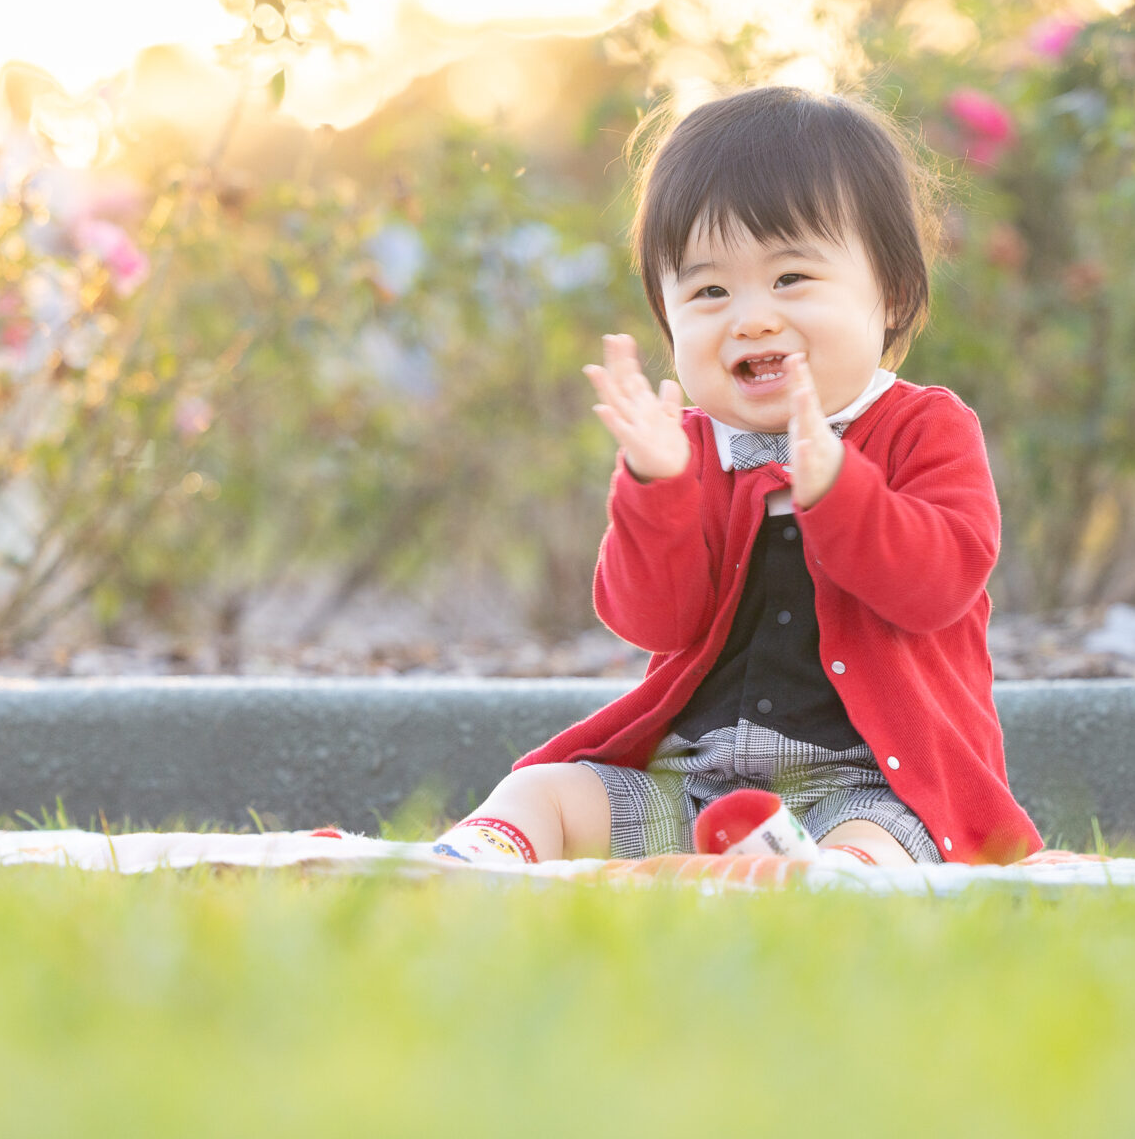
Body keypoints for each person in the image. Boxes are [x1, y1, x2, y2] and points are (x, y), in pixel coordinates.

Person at [431, 86, 1041, 867]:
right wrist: (657, 488)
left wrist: (839, 493)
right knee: (545, 788)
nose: (750, 317)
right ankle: (479, 861)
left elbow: (940, 584)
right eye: (710, 291)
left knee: (876, 851)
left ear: (888, 292)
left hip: (872, 785)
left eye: (791, 279)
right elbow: (651, 620)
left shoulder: (926, 428)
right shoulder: (688, 449)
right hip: (692, 782)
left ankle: (817, 880)